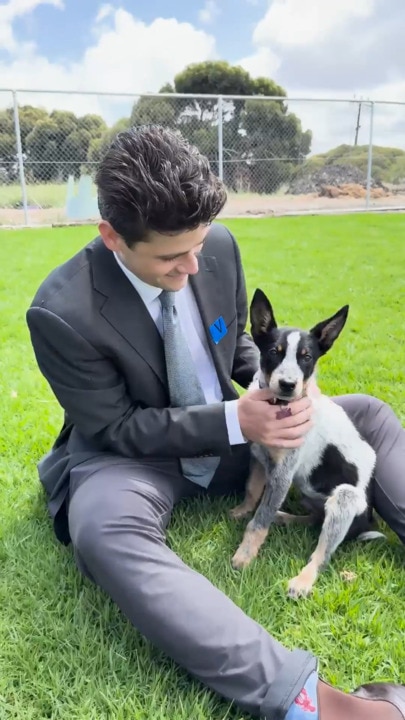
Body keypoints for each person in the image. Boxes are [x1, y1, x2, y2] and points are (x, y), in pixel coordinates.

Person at [26, 125, 405, 720]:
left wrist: (283, 386)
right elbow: (116, 428)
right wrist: (237, 420)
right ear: (112, 237)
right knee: (100, 529)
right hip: (134, 458)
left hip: (244, 431)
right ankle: (319, 705)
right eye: (172, 256)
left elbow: (238, 352)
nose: (194, 265)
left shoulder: (217, 247)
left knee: (369, 415)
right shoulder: (61, 312)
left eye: (199, 246)